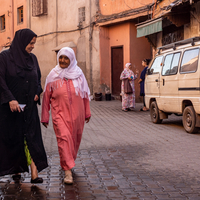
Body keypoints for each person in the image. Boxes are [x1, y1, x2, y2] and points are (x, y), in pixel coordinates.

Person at [0, 29, 48, 183]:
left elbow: (38, 79)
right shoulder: (5, 57)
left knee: (32, 138)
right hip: (11, 110)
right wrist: (10, 99)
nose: (33, 46)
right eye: (30, 43)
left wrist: (37, 92)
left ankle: (35, 173)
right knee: (15, 140)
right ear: (21, 41)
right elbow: (0, 80)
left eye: (34, 43)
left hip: (29, 108)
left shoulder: (32, 59)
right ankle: (17, 170)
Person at [41, 47, 91, 184]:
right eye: (61, 57)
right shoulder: (53, 75)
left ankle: (68, 161)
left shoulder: (79, 74)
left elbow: (85, 94)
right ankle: (68, 172)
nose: (62, 60)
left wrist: (87, 112)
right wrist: (45, 116)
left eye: (66, 58)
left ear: (72, 59)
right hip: (59, 115)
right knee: (64, 139)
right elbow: (46, 97)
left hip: (78, 115)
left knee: (74, 141)